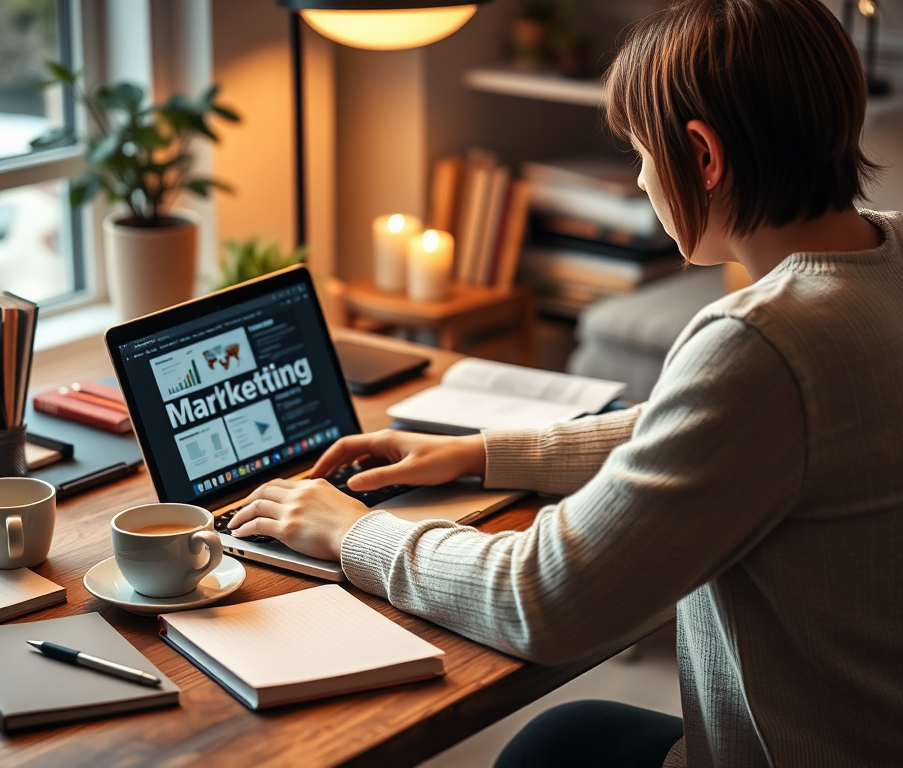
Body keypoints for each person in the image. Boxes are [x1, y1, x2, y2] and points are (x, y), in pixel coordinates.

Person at [229, 0, 903, 764]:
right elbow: (723, 428)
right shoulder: (885, 257)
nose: (645, 180)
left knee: (548, 748)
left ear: (704, 158)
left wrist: (353, 530)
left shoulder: (764, 340)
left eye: (642, 154)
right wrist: (482, 453)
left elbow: (546, 600)